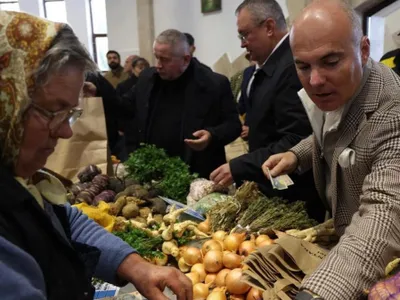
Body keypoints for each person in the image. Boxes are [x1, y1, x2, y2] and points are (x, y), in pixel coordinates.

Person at [0, 11, 192, 300]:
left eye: (70, 114)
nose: (66, 132)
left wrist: (136, 267)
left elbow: (63, 220)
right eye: (54, 112)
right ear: (7, 104)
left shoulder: (23, 181)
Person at [262, 0, 400, 299]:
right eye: (303, 66)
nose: (315, 81)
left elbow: (384, 213)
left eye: (330, 61)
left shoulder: (394, 110)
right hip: (343, 237)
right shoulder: (342, 87)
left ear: (364, 50)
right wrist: (297, 154)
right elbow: (337, 131)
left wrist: (319, 293)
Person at [210, 0, 323, 220]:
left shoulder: (291, 68)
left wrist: (239, 166)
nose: (242, 44)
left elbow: (296, 138)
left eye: (245, 35)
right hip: (275, 184)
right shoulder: (265, 68)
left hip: (296, 195)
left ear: (269, 27)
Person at [87, 29, 241, 178]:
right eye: (157, 57)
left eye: (165, 60)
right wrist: (99, 91)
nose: (158, 64)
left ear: (186, 59)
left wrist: (211, 135)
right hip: (153, 169)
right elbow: (125, 107)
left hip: (196, 172)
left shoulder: (214, 83)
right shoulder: (148, 77)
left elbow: (233, 125)